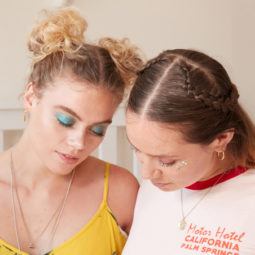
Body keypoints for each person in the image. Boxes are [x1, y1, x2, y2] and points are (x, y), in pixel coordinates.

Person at [0, 7, 144, 255]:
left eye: (97, 129)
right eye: (66, 120)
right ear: (31, 97)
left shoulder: (121, 193)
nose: (79, 142)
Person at [123, 49, 255, 254]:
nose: (147, 175)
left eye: (166, 161)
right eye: (137, 150)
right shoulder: (149, 190)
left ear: (221, 139)